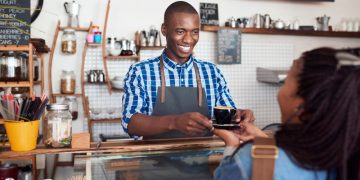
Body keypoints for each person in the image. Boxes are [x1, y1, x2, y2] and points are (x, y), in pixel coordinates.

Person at [213, 47, 360, 180]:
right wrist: (264, 139)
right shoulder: (349, 159)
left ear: (299, 104)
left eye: (288, 77)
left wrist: (232, 146)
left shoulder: (251, 161)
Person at [122, 1, 254, 139]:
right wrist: (174, 122)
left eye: (195, 32)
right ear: (164, 29)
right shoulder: (140, 72)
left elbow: (226, 121)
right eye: (180, 31)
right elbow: (130, 122)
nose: (188, 40)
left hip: (204, 158)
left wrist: (237, 117)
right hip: (154, 159)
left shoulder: (212, 72)